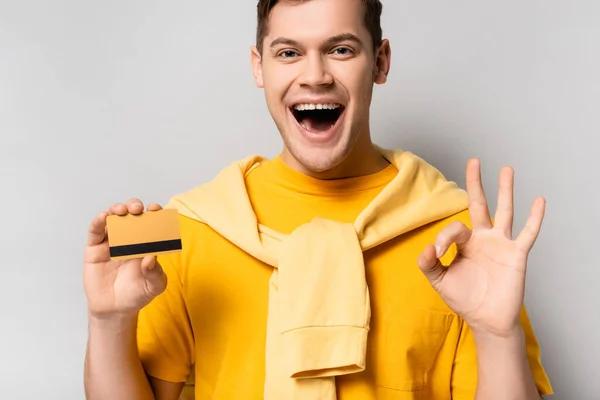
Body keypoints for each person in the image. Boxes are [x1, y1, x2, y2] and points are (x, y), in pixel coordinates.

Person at [82, 0, 554, 399]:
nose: (315, 76)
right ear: (258, 66)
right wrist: (108, 322)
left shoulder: (459, 235)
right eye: (288, 52)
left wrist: (497, 335)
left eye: (341, 49)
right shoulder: (186, 224)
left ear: (381, 61)